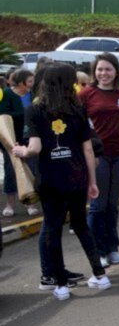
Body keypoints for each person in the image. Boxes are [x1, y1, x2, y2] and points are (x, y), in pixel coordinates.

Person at [12, 63, 111, 300]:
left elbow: (35, 148)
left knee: (53, 229)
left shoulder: (35, 110)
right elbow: (88, 150)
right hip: (76, 177)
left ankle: (61, 285)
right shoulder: (78, 108)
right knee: (81, 225)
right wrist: (92, 181)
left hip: (50, 179)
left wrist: (19, 151)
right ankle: (100, 274)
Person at [80, 53, 119, 266]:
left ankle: (112, 248)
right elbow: (79, 126)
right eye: (100, 69)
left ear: (116, 71)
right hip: (97, 156)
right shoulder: (86, 95)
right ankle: (98, 252)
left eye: (108, 69)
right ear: (94, 72)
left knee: (113, 204)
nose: (103, 73)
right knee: (98, 204)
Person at [0, 68, 38, 217]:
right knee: (11, 171)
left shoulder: (33, 94)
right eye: (29, 81)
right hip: (10, 139)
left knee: (32, 169)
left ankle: (31, 202)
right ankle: (10, 204)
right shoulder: (7, 94)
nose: (32, 83)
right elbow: (3, 115)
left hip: (29, 138)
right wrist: (24, 112)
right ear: (21, 82)